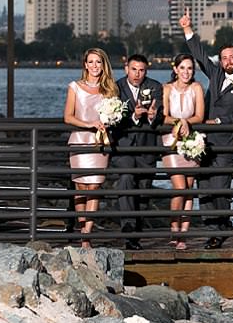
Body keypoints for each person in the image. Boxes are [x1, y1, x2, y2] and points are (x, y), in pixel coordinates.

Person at [179, 7, 233, 249]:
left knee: (219, 189)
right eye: (224, 58)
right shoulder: (214, 74)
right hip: (203, 144)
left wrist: (219, 122)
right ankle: (212, 229)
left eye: (232, 57)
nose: (228, 61)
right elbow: (200, 54)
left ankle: (222, 228)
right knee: (203, 190)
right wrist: (187, 29)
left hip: (225, 145)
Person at [63, 48, 119, 248]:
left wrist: (109, 122)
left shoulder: (110, 89)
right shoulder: (75, 87)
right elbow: (68, 116)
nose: (95, 66)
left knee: (94, 186)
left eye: (99, 62)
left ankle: (87, 234)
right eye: (91, 62)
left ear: (104, 65)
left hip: (100, 143)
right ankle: (82, 227)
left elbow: (115, 116)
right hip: (79, 140)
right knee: (80, 187)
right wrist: (88, 124)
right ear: (85, 65)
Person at [113, 54, 164, 250]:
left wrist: (152, 116)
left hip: (146, 146)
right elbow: (113, 116)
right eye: (134, 69)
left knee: (143, 190)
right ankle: (128, 229)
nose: (137, 74)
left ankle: (136, 235)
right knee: (126, 179)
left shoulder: (156, 86)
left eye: (141, 70)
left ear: (146, 71)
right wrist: (133, 116)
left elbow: (159, 113)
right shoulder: (116, 87)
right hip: (124, 146)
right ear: (126, 68)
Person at [160, 53, 205, 250]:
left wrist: (188, 121)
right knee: (179, 187)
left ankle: (184, 234)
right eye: (183, 68)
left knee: (189, 187)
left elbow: (200, 116)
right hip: (172, 140)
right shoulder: (166, 88)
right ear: (175, 69)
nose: (186, 72)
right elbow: (163, 116)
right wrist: (179, 122)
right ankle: (174, 229)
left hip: (192, 139)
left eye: (190, 68)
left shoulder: (197, 88)